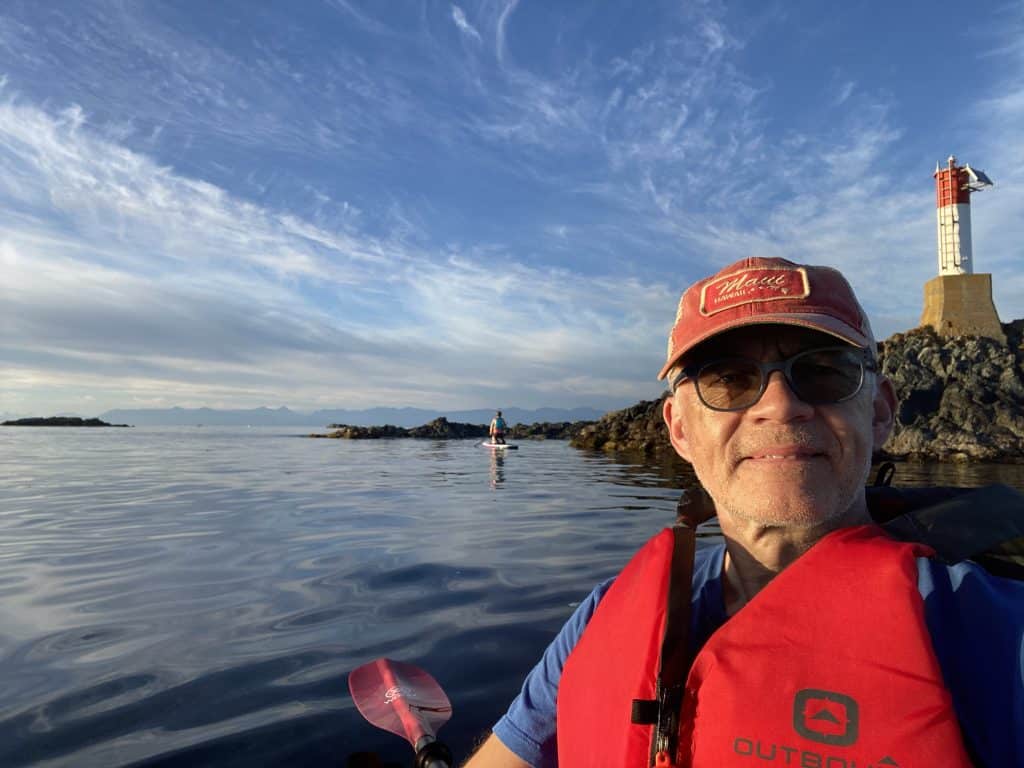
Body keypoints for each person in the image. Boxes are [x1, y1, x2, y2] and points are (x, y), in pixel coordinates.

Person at [463, 256, 1024, 767]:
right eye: (728, 380)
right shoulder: (599, 620)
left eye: (823, 371)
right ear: (679, 429)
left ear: (879, 412)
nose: (779, 405)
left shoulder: (1001, 637)